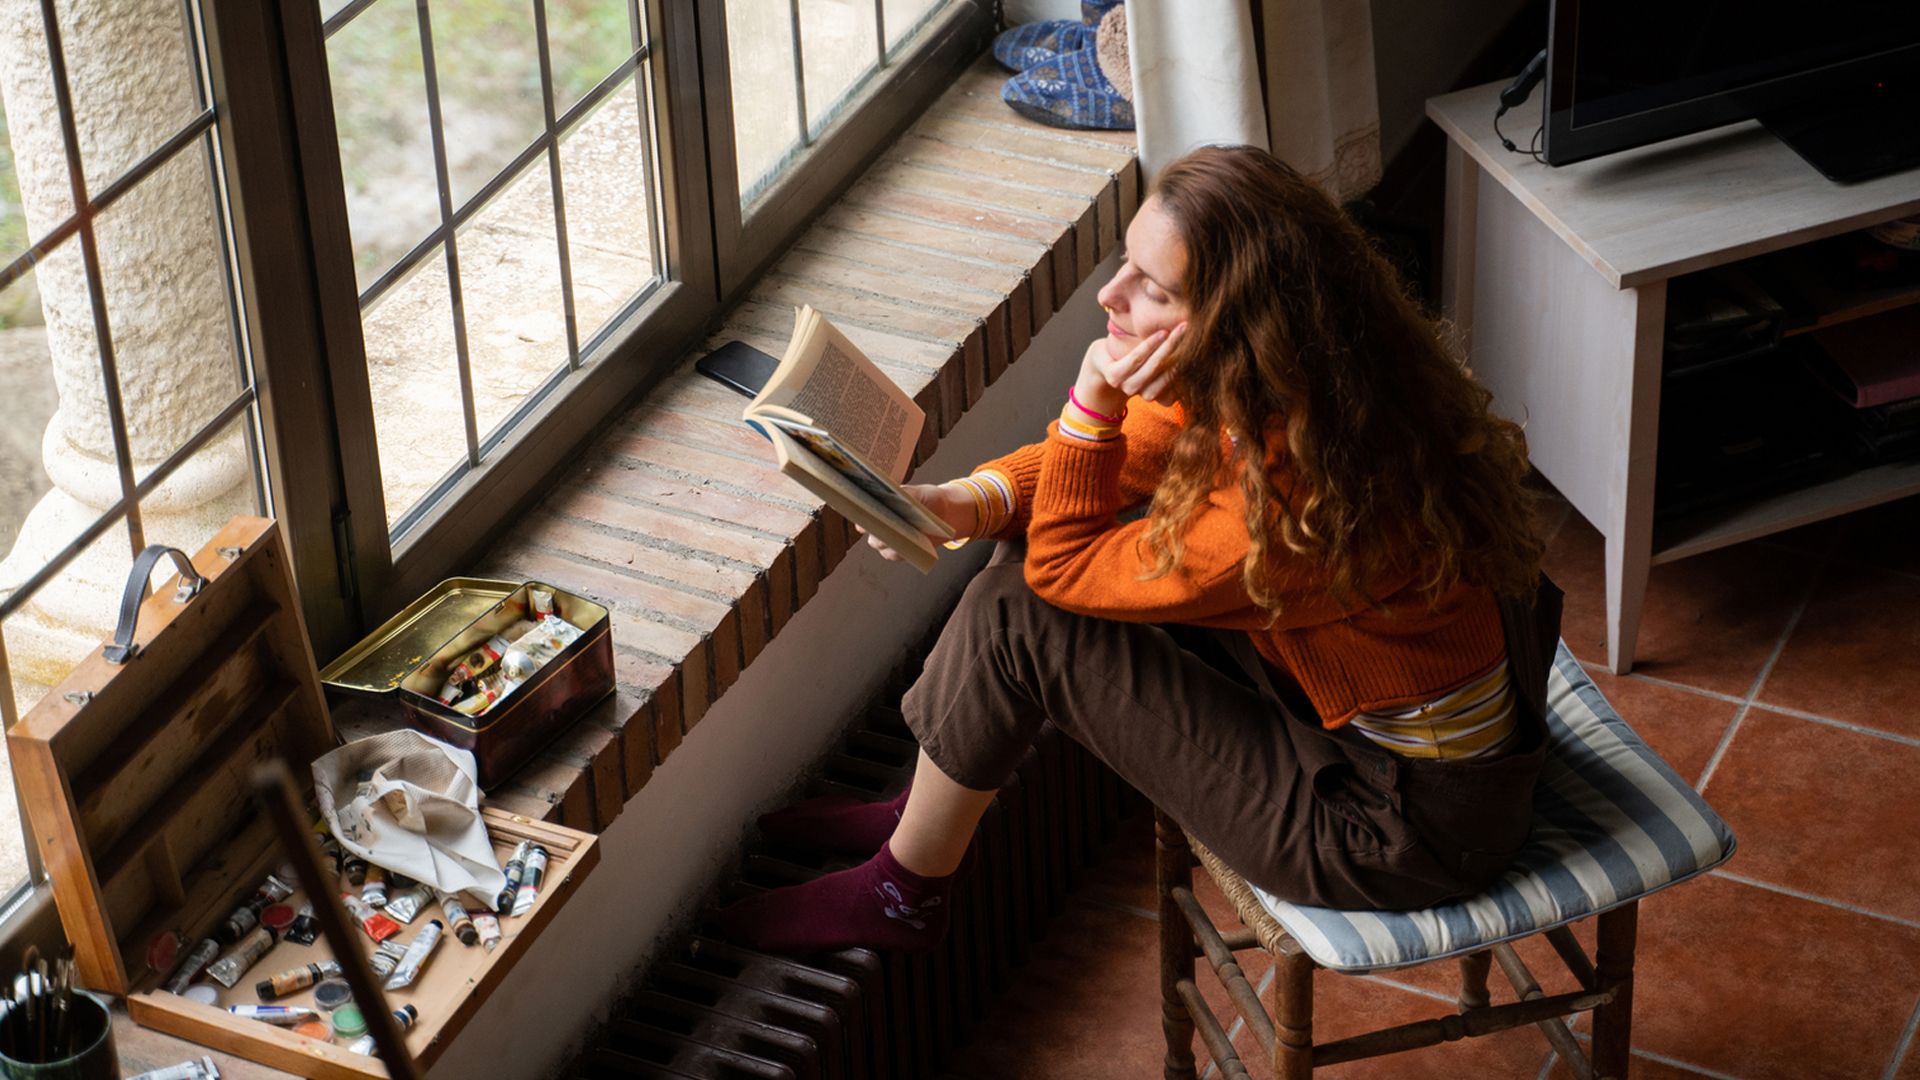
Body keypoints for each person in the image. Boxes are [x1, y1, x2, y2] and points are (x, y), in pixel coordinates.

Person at [716, 144, 1553, 957]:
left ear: (1237, 321)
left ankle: (904, 891)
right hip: (1353, 734)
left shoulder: (1304, 500)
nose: (1110, 296)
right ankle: (921, 821)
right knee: (1032, 542)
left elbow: (1064, 565)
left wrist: (1091, 396)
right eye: (1126, 264)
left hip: (1397, 828)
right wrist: (963, 502)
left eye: (1151, 288)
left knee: (1023, 613)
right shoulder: (1313, 381)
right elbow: (1137, 454)